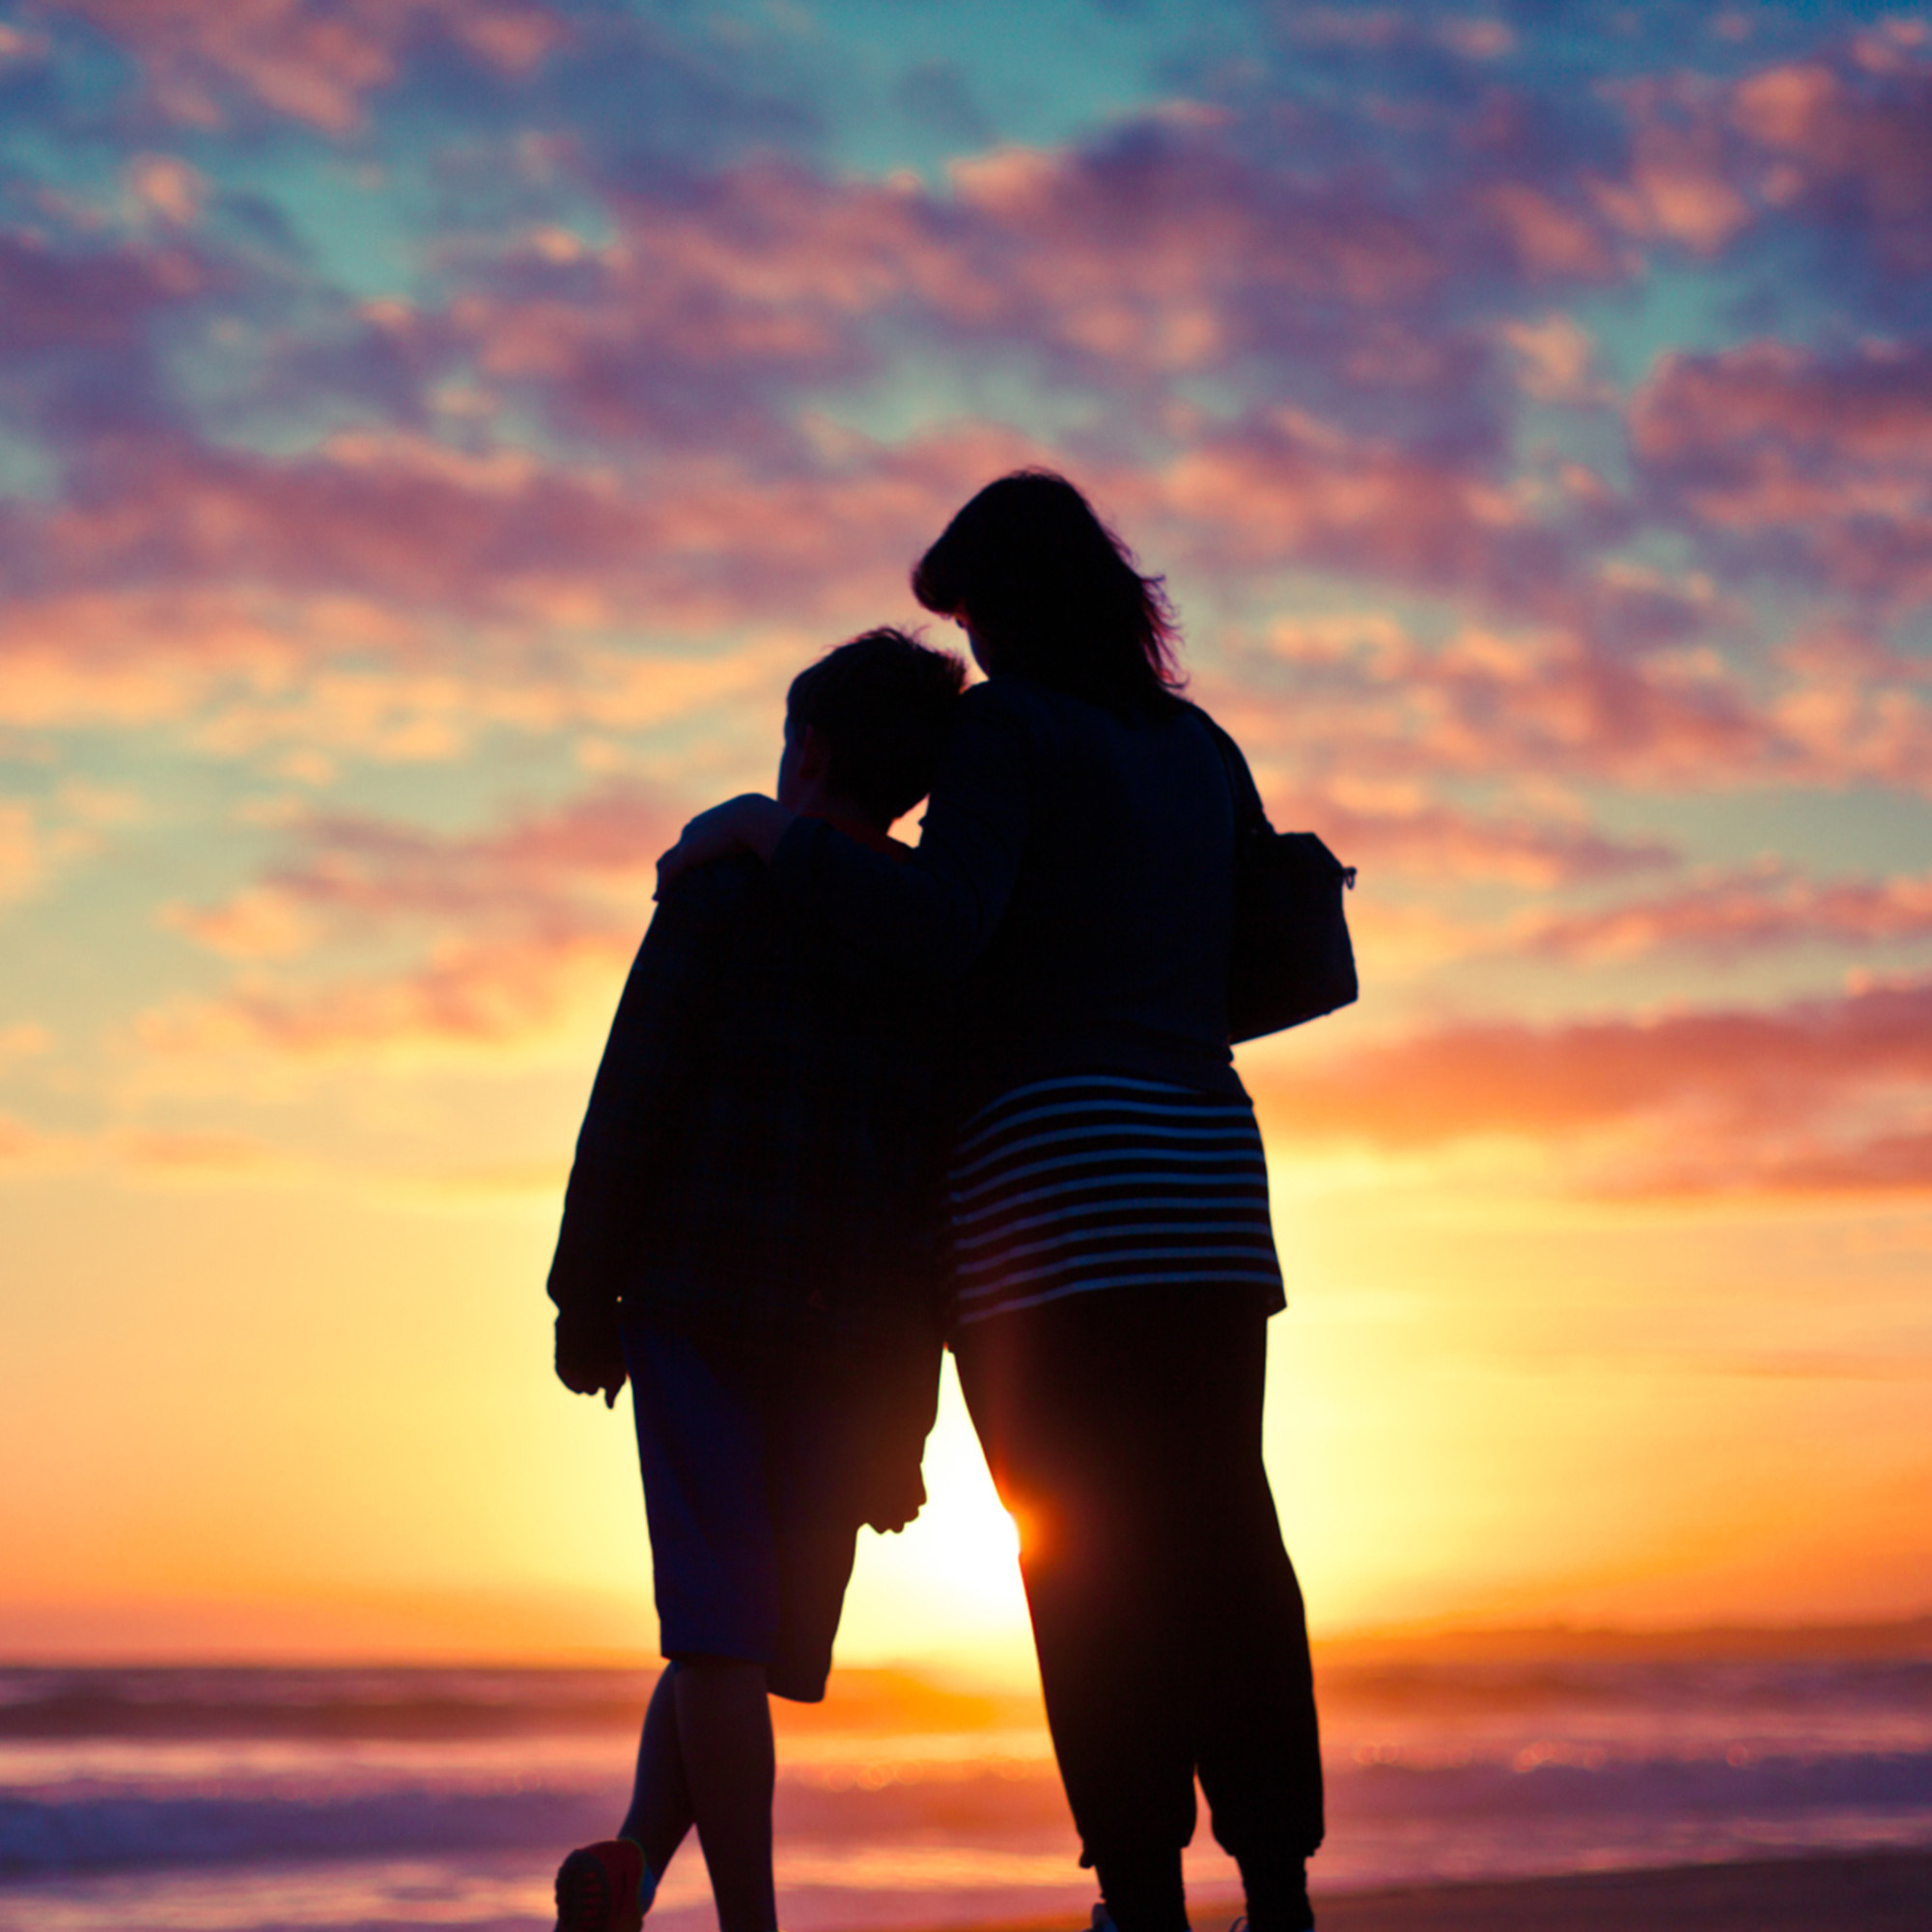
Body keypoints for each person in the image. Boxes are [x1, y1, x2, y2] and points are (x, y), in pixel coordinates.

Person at [658, 472, 1327, 1932]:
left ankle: (1140, 1889)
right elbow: (1239, 949)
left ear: (1002, 604)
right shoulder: (1201, 745)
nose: (963, 645)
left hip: (1048, 1200)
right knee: (1225, 1535)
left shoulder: (1005, 730)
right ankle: (1277, 1886)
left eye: (965, 613)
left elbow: (934, 925)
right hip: (1207, 1190)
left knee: (1081, 1552)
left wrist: (772, 838)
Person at [546, 628, 968, 1932]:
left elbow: (635, 1091)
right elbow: (934, 1196)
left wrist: (583, 1291)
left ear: (817, 753)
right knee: (745, 1634)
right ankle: (656, 1879)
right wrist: (908, 1418)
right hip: (852, 1340)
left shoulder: (726, 891)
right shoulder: (930, 938)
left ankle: (689, 1896)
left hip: (696, 1302)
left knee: (723, 1638)